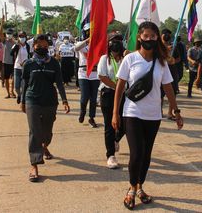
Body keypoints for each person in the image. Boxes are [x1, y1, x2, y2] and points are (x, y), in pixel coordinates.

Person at [112, 21, 183, 210]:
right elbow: (120, 87)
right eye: (146, 36)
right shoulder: (130, 59)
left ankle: (140, 186)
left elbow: (168, 87)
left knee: (146, 155)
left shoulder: (161, 62)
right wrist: (115, 113)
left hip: (153, 115)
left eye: (153, 36)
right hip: (132, 112)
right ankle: (131, 189)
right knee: (136, 154)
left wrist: (176, 111)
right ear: (139, 38)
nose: (149, 39)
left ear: (157, 38)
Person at [21, 34, 70, 182]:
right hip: (32, 101)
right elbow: (25, 83)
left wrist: (65, 100)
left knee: (47, 132)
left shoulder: (54, 63)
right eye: (38, 45)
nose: (42, 48)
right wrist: (22, 101)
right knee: (35, 131)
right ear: (34, 46)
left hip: (50, 101)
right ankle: (34, 164)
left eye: (44, 45)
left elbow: (60, 83)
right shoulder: (28, 64)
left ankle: (44, 145)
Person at [98, 34, 125, 169]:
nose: (115, 55)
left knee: (125, 123)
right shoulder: (105, 59)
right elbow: (102, 76)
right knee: (109, 125)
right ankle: (110, 155)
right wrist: (117, 87)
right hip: (108, 93)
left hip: (125, 95)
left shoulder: (126, 59)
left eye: (117, 53)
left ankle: (116, 139)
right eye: (113, 52)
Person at [74, 25, 100, 128]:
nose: (91, 33)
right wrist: (88, 40)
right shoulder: (81, 44)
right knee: (84, 97)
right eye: (88, 31)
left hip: (95, 74)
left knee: (93, 98)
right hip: (83, 73)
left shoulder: (98, 45)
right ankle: (82, 111)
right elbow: (76, 48)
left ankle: (91, 118)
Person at [11, 31, 31, 104]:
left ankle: (23, 98)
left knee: (24, 85)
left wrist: (26, 62)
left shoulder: (28, 46)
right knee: (16, 86)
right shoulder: (16, 45)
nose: (22, 38)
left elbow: (30, 56)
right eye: (20, 36)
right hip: (17, 67)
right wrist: (17, 46)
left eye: (23, 36)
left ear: (25, 37)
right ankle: (19, 95)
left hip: (25, 68)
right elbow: (11, 53)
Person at [3, 29, 16, 98]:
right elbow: (0, 33)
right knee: (6, 78)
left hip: (13, 63)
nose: (9, 34)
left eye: (10, 33)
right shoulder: (4, 41)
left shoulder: (15, 42)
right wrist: (2, 23)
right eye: (8, 33)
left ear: (12, 34)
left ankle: (12, 91)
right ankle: (8, 93)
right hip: (6, 62)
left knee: (14, 78)